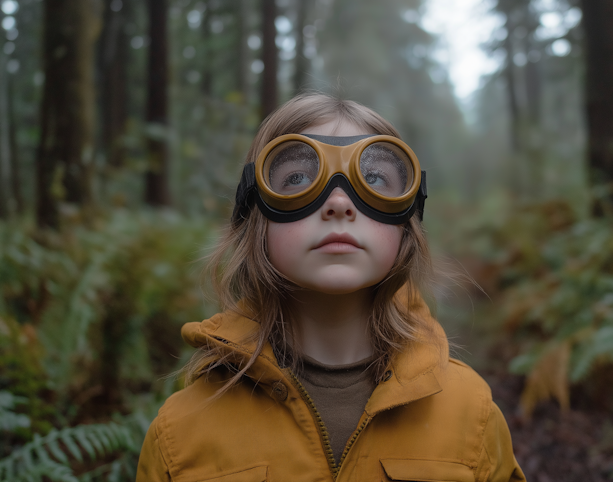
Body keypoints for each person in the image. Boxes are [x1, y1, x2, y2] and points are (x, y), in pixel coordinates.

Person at [136, 93, 526, 482]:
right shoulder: (182, 436)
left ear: (406, 218)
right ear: (255, 210)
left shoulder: (470, 414)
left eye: (372, 179)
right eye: (299, 179)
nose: (339, 202)